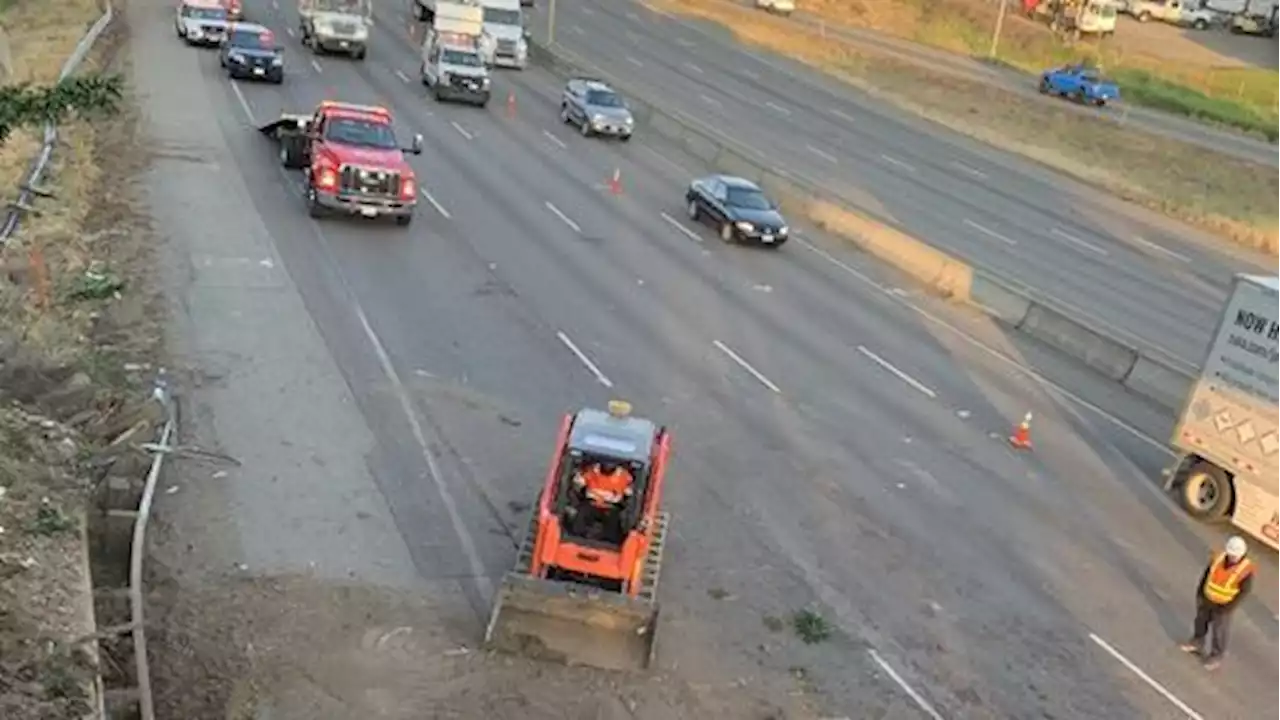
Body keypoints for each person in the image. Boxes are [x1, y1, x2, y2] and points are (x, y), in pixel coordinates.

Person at [1179, 535, 1255, 670]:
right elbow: (1207, 575)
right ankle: (1197, 642)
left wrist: (1229, 607)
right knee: (1201, 621)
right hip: (1207, 598)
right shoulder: (1218, 558)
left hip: (1224, 605)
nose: (1233, 558)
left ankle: (1216, 656)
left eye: (1235, 556)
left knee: (1220, 631)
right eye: (1231, 554)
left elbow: (1244, 591)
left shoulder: (1245, 570)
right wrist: (1200, 592)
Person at [569, 460, 634, 541]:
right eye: (606, 462)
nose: (608, 465)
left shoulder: (624, 476)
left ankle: (609, 541)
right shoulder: (592, 470)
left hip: (611, 508)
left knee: (614, 525)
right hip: (591, 504)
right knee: (581, 516)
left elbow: (630, 494)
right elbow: (578, 484)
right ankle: (576, 537)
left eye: (611, 463)